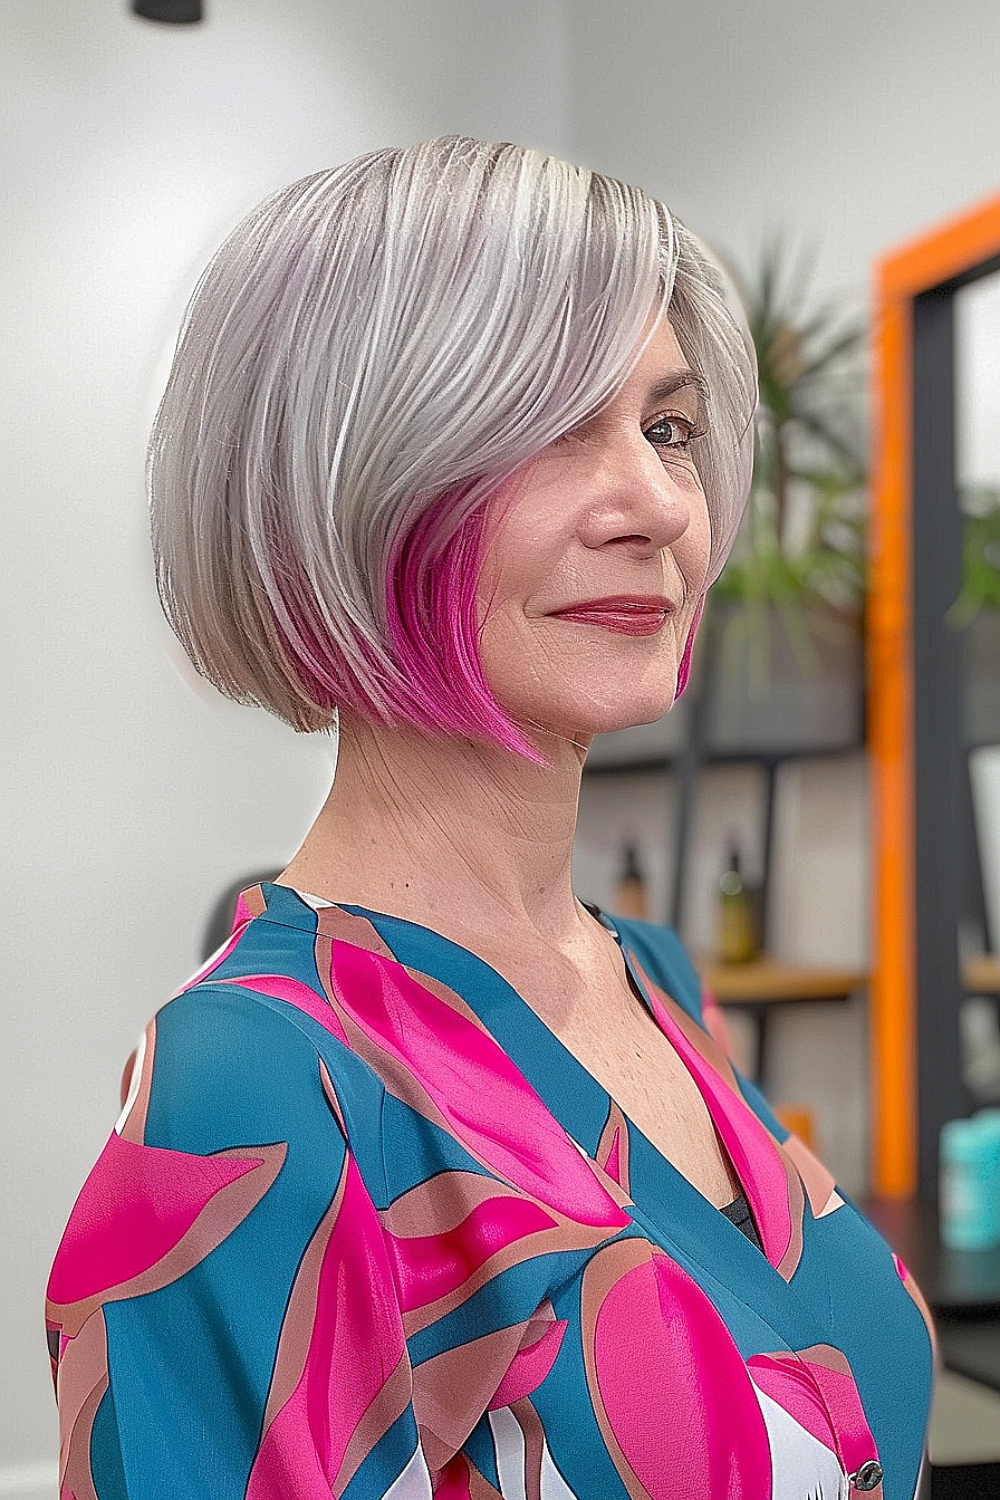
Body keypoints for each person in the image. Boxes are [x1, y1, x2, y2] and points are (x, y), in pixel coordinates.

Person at [45, 137, 934, 1500]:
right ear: (341, 486)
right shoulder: (255, 1090)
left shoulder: (649, 978)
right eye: (543, 426)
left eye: (669, 426)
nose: (655, 503)